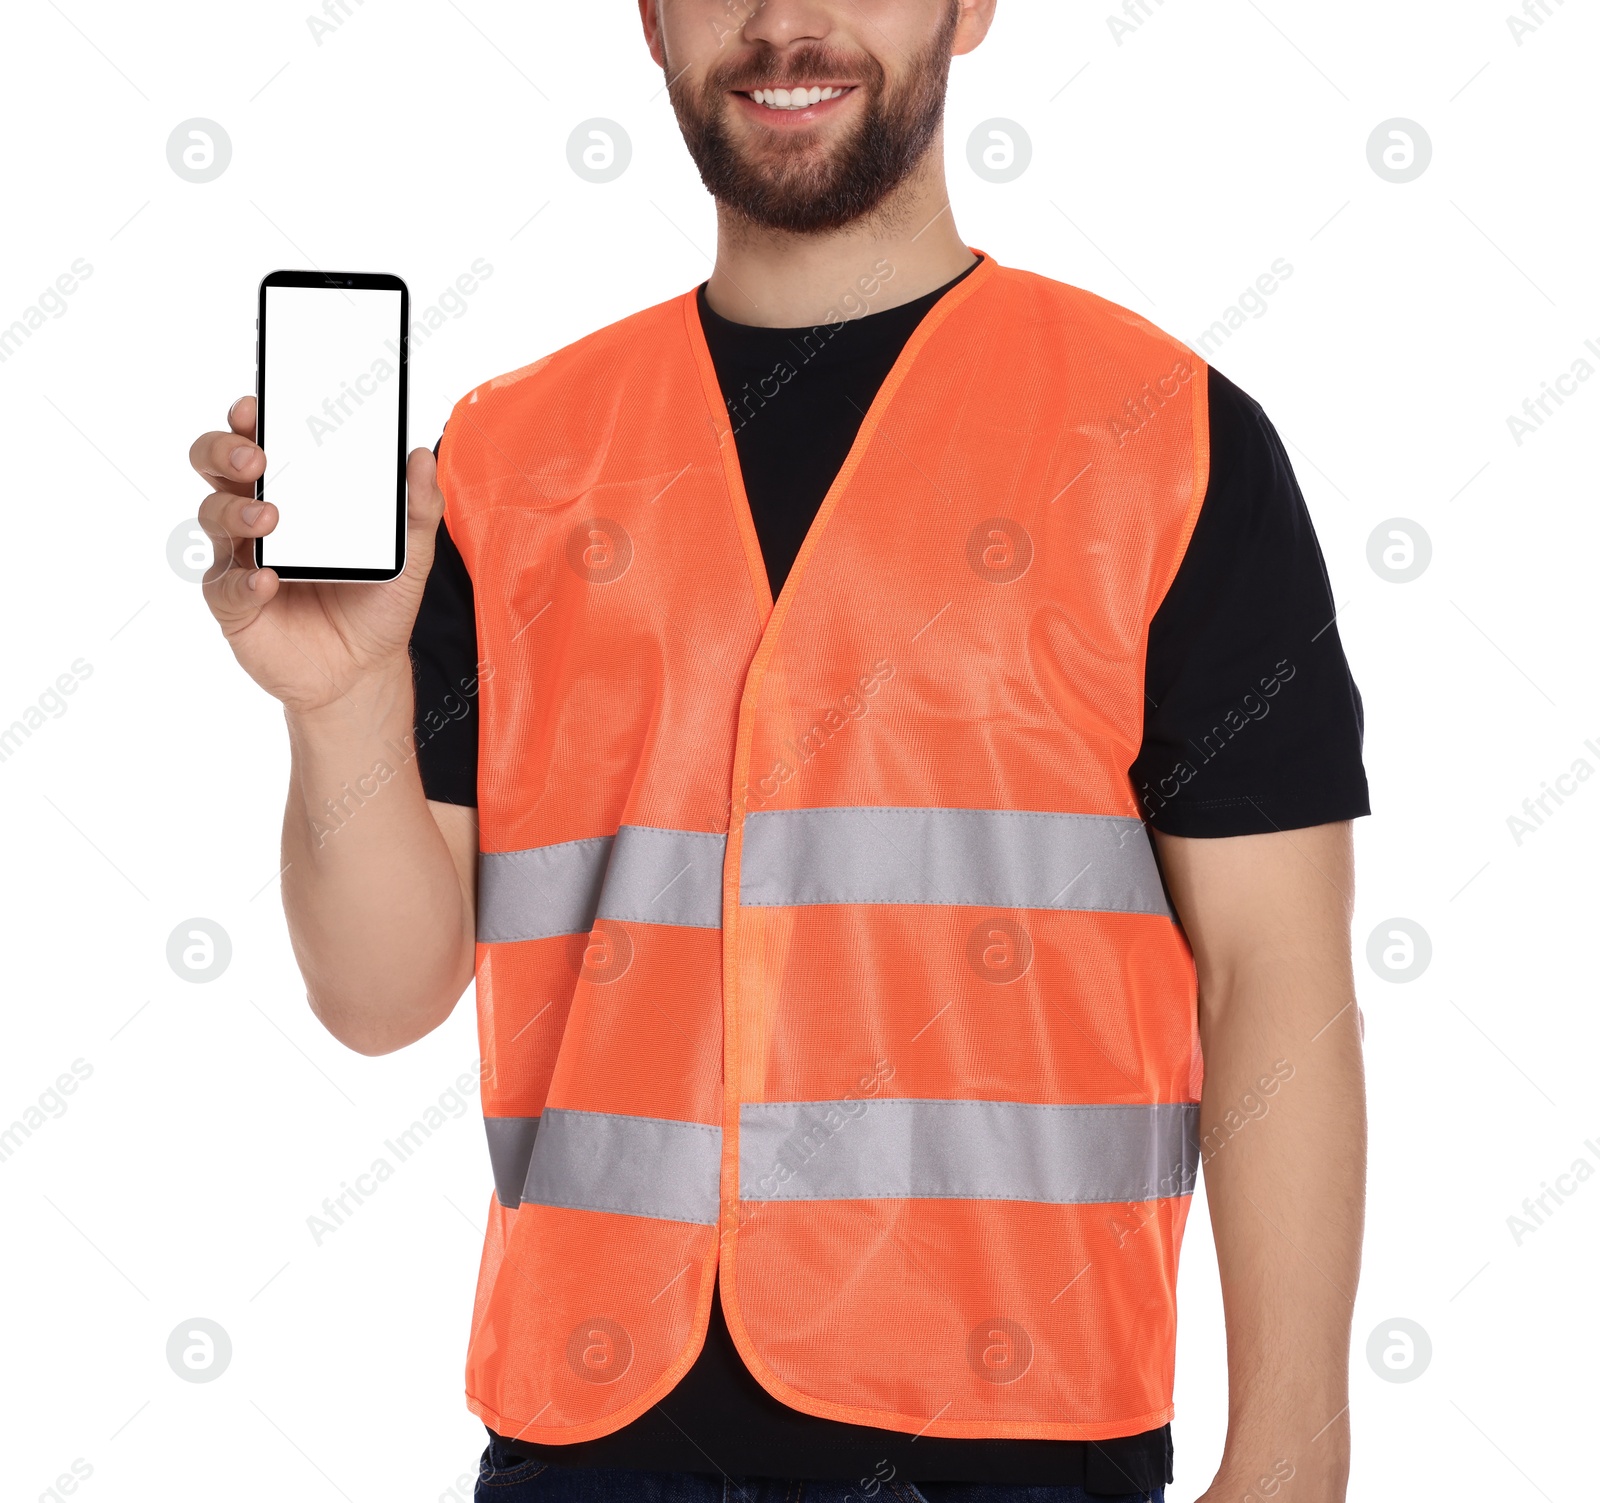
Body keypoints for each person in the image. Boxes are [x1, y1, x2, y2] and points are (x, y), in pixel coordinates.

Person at [189, 2, 1368, 1499]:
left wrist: (1292, 1458)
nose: (784, 24)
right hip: (595, 1440)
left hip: (1019, 1433)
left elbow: (1280, 976)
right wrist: (337, 695)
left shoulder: (1170, 442)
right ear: (652, 21)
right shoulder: (504, 464)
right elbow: (375, 996)